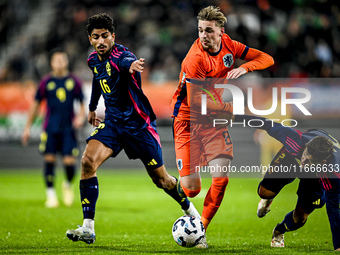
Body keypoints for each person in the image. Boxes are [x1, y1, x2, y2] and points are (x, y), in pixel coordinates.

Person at [66, 13, 199, 245]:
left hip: (139, 126)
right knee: (87, 162)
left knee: (162, 180)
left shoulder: (123, 56)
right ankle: (88, 227)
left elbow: (124, 63)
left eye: (105, 36)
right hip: (114, 123)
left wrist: (133, 65)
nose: (101, 41)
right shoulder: (93, 60)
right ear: (90, 39)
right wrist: (91, 108)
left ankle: (193, 214)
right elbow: (98, 79)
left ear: (113, 36)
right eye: (96, 37)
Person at [170, 5, 274, 248]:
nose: (203, 35)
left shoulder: (229, 45)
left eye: (208, 30)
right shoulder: (195, 58)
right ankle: (175, 187)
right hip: (187, 120)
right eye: (200, 31)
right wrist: (231, 110)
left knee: (221, 179)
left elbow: (267, 58)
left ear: (220, 32)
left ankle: (200, 230)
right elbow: (196, 102)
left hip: (212, 122)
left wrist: (243, 67)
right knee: (192, 190)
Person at [233, 114, 340, 251]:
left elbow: (333, 209)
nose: (304, 161)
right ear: (306, 147)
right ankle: (268, 199)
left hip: (315, 178)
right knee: (264, 192)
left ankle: (279, 230)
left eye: (309, 161)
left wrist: (338, 246)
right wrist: (234, 117)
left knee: (299, 219)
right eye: (305, 155)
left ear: (323, 162)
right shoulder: (296, 141)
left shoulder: (332, 173)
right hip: (290, 159)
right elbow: (266, 123)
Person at [22, 49, 85, 208]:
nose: (59, 63)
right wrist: (27, 127)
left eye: (62, 60)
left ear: (66, 62)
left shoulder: (74, 81)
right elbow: (35, 105)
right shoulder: (45, 82)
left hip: (68, 129)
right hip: (50, 128)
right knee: (49, 159)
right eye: (56, 61)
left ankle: (67, 185)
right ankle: (50, 195)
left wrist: (81, 117)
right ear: (51, 63)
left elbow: (83, 103)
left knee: (69, 162)